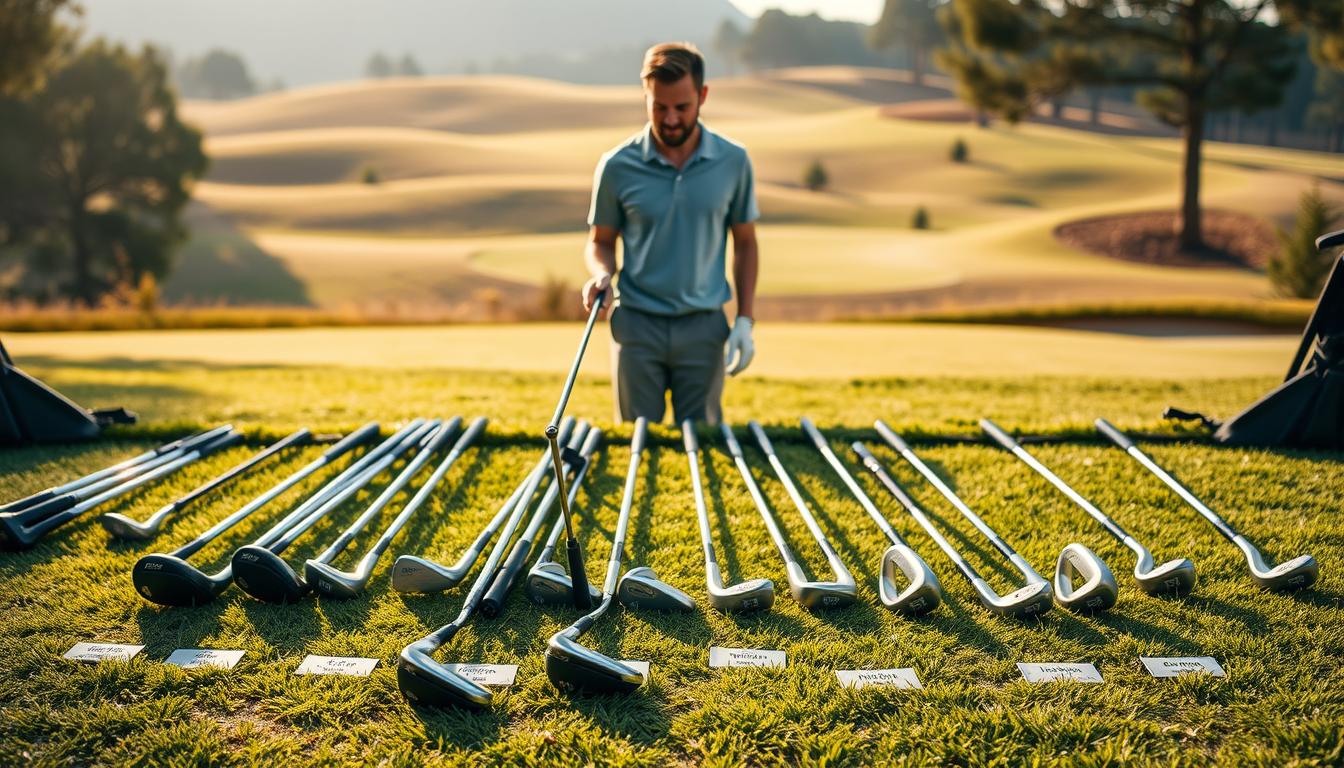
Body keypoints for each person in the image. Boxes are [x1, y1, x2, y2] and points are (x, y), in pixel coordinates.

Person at [581, 42, 760, 425]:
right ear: (646, 97)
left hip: (704, 326)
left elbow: (745, 243)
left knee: (703, 443)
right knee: (638, 442)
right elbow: (600, 242)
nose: (671, 119)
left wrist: (744, 319)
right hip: (637, 324)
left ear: (703, 95)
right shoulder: (616, 165)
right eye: (659, 107)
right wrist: (601, 275)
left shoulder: (734, 161)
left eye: (682, 107)